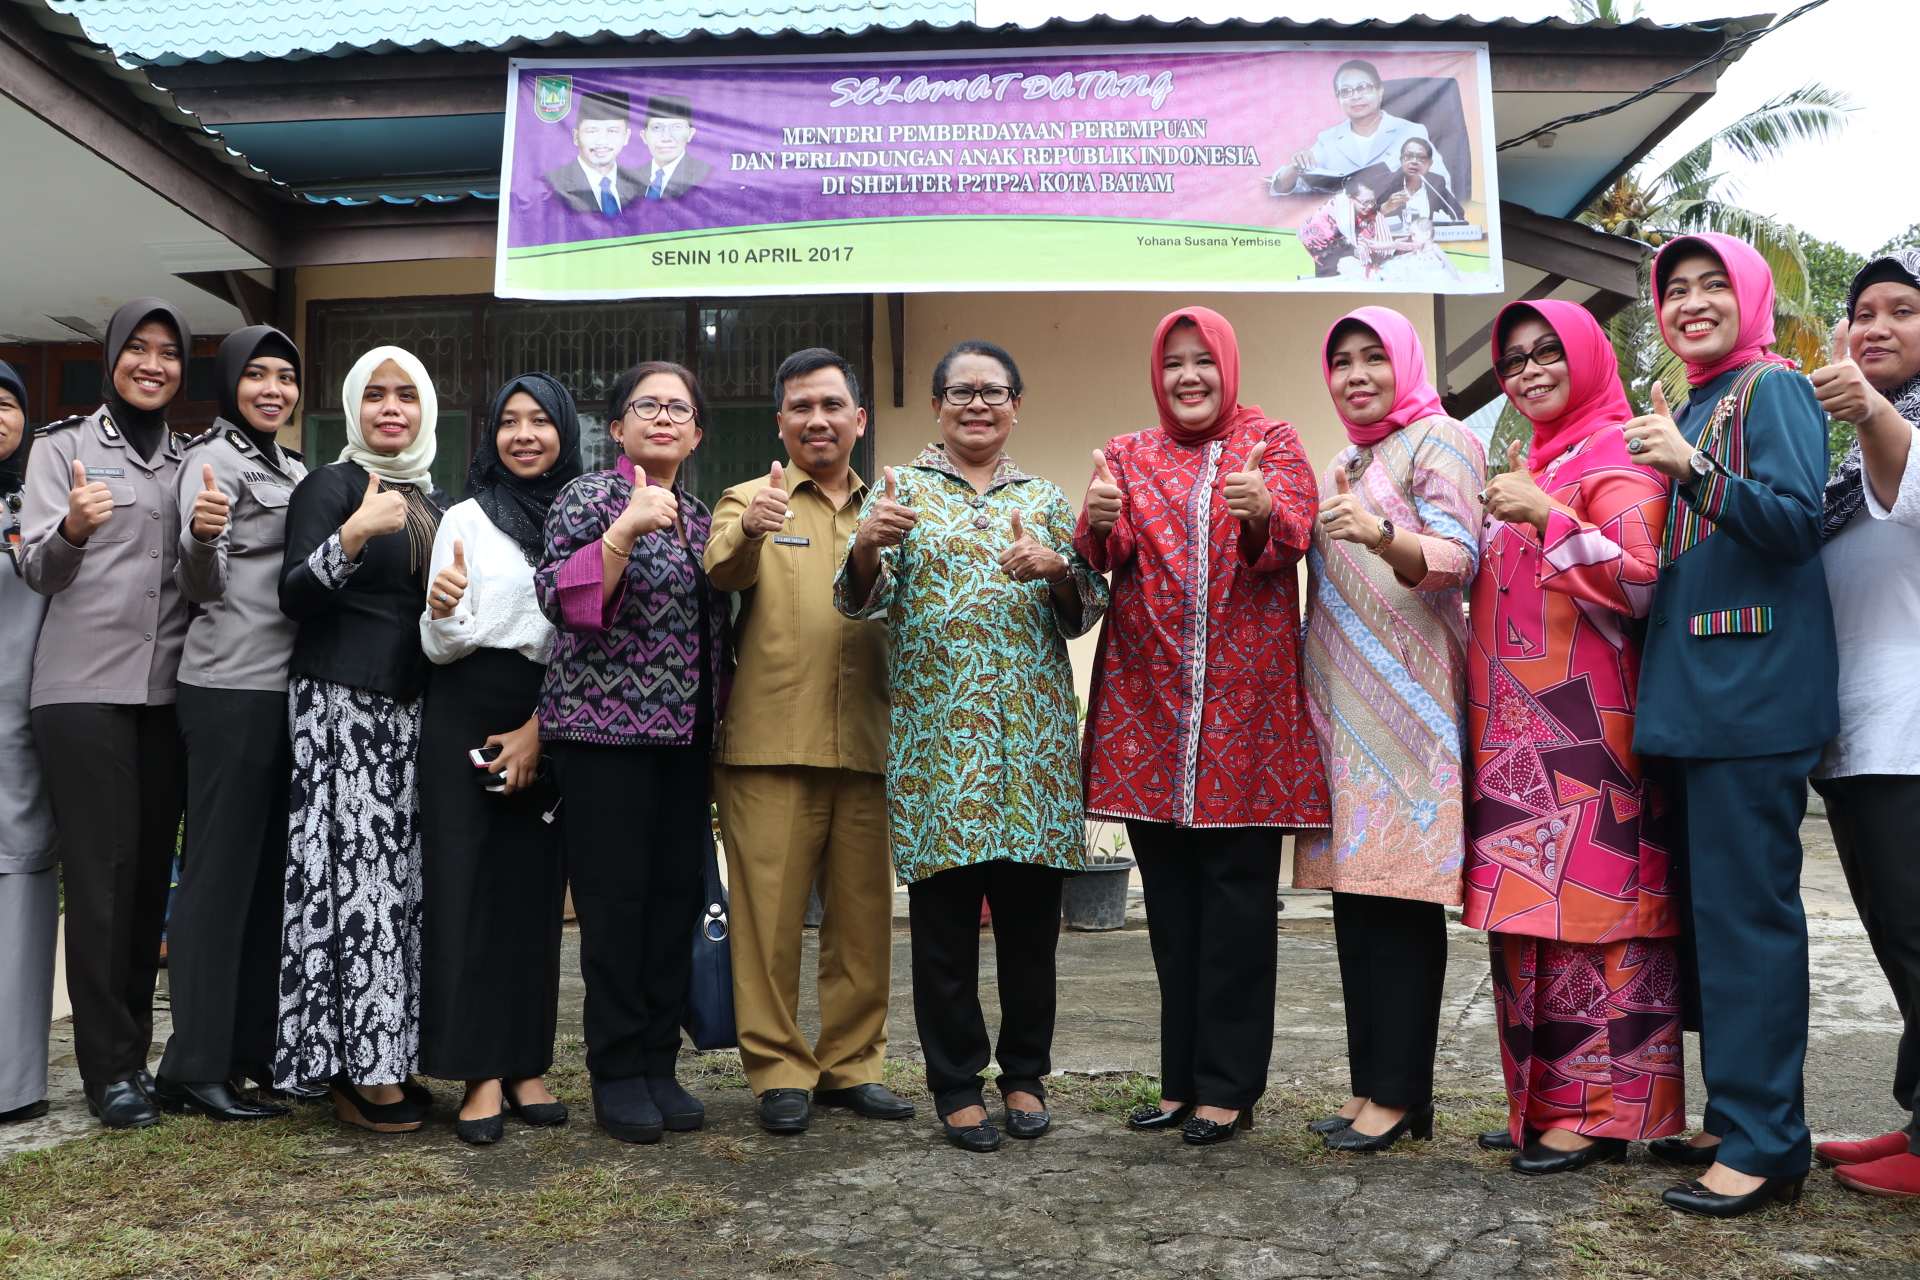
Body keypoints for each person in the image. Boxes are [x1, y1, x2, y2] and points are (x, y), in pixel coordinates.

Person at [837, 340, 1107, 1153]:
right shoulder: (900, 492)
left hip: (1032, 749)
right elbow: (857, 602)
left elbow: (1084, 609)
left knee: (1030, 935)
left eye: (994, 392)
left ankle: (1024, 1076)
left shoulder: (1046, 497)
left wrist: (1057, 567)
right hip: (939, 750)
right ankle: (956, 1085)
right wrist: (866, 544)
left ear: (1016, 405)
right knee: (945, 934)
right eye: (961, 392)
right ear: (936, 407)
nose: (978, 404)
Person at [1075, 307, 1328, 1145]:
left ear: (1227, 366)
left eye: (1202, 361)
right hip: (1149, 713)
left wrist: (1260, 508)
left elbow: (1291, 537)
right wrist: (1097, 520)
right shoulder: (1126, 453)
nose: (1188, 377)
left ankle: (1229, 1088)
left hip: (1245, 720)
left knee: (1237, 913)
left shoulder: (1273, 441)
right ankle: (1181, 1083)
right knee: (1173, 917)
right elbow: (1102, 554)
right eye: (1173, 363)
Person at [1623, 232, 1836, 1218]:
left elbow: (1797, 523)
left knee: (1749, 925)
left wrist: (1692, 469)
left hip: (1753, 698)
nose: (1692, 302)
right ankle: (1738, 1117)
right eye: (1676, 289)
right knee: (1715, 928)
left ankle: (1767, 1144)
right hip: (1697, 702)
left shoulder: (1772, 388)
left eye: (1714, 285)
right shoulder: (1695, 403)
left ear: (1750, 299)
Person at [1464, 301, 1682, 1176]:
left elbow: (1642, 582)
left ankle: (1604, 1113)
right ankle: (1546, 1101)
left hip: (1591, 729)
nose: (1529, 371)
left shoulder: (1620, 452)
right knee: (1533, 920)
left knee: (1601, 917)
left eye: (1547, 352)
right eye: (1514, 360)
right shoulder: (1541, 459)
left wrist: (1547, 513)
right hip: (1516, 734)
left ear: (1587, 356)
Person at [706, 348, 910, 1136]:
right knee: (768, 925)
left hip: (867, 744)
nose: (816, 420)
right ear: (780, 422)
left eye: (831, 406)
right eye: (800, 407)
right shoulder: (748, 498)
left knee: (862, 924)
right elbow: (721, 570)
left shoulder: (893, 506)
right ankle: (780, 1071)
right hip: (769, 747)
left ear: (859, 418)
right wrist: (751, 531)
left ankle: (852, 1066)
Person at [1297, 308, 1485, 1153]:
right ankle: (1370, 1084)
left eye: (1373, 357)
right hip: (1344, 713)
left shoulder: (1441, 440)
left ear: (1403, 363)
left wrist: (1381, 534)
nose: (1356, 375)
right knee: (1357, 902)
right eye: (1341, 362)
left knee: (1402, 903)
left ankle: (1402, 1093)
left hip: (1412, 713)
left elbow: (1459, 557)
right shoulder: (1345, 460)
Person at [535, 360, 728, 1144]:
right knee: (614, 910)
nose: (664, 418)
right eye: (647, 406)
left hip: (685, 742)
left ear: (697, 433)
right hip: (602, 738)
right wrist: (622, 530)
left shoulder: (702, 516)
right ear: (616, 427)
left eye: (679, 408)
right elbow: (560, 599)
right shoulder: (588, 497)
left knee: (673, 904)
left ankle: (657, 1061)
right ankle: (615, 1071)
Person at [20, 298, 194, 1131]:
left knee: (150, 875)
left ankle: (136, 1054)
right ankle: (108, 1069)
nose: (153, 365)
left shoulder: (191, 460)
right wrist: (72, 529)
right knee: (101, 882)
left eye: (169, 353)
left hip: (165, 693)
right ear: (112, 356)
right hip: (81, 691)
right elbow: (37, 570)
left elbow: (202, 578)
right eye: (139, 349)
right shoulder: (62, 449)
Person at [277, 345, 448, 1134]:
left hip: (410, 713)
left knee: (398, 892)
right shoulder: (332, 485)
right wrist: (351, 535)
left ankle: (388, 1054)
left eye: (406, 395)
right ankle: (354, 1073)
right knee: (354, 892)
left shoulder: (434, 502)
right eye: (375, 394)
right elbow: (294, 596)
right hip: (341, 707)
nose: (391, 408)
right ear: (353, 408)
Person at [418, 373, 583, 1144]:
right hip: (468, 703)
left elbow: (587, 628)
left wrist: (542, 723)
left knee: (532, 891)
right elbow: (438, 644)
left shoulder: (585, 516)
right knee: (468, 889)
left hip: (551, 708)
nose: (524, 435)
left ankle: (526, 1064)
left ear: (565, 432)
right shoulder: (466, 516)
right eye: (509, 421)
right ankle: (479, 1070)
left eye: (540, 421)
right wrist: (442, 610)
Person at [156, 326, 309, 1122]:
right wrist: (204, 534)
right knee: (217, 879)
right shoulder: (208, 461)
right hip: (227, 688)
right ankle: (193, 1065)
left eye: (285, 376)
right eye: (257, 375)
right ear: (229, 384)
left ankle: (250, 1055)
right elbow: (198, 579)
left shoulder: (295, 467)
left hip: (286, 692)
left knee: (266, 882)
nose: (273, 389)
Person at [1805, 248, 1920, 1198]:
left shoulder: (1888, 427)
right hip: (1855, 731)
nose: (1878, 326)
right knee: (1893, 931)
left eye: (1903, 310)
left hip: (1910, 729)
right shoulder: (1849, 446)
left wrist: (1872, 410)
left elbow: (1909, 480)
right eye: (1865, 311)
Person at [0, 360, 57, 1127]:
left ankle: (13, 1081)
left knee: (22, 882)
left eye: (8, 404)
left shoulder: (39, 506)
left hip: (24, 724)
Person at [1268, 58, 1448, 196]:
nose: (1355, 96)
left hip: (1398, 225)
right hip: (1346, 228)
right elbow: (1284, 187)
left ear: (1380, 91)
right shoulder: (1328, 139)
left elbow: (1440, 183)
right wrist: (1295, 166)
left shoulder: (1411, 132)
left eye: (1363, 87)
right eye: (1346, 91)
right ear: (1338, 99)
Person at [542, 90, 648, 215]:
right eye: (592, 131)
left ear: (626, 136)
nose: (602, 141)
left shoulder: (641, 185)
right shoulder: (550, 185)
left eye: (613, 131)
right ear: (576, 136)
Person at [1298, 173, 1388, 279]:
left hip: (1339, 240)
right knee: (1333, 279)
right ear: (1350, 198)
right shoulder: (1342, 210)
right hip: (1321, 243)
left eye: (1372, 201)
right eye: (1365, 202)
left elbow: (1367, 230)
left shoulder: (1355, 204)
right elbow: (1364, 242)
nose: (1369, 206)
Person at [637, 95, 710, 199]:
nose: (666, 138)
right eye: (657, 128)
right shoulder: (631, 177)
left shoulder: (707, 175)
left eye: (677, 127)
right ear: (644, 136)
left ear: (690, 134)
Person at [1380, 137, 1465, 225]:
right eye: (1408, 156)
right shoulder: (1385, 182)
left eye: (1421, 158)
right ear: (1401, 160)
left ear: (1429, 164)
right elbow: (1371, 214)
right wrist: (1386, 206)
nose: (1414, 162)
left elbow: (1457, 214)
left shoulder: (1436, 183)